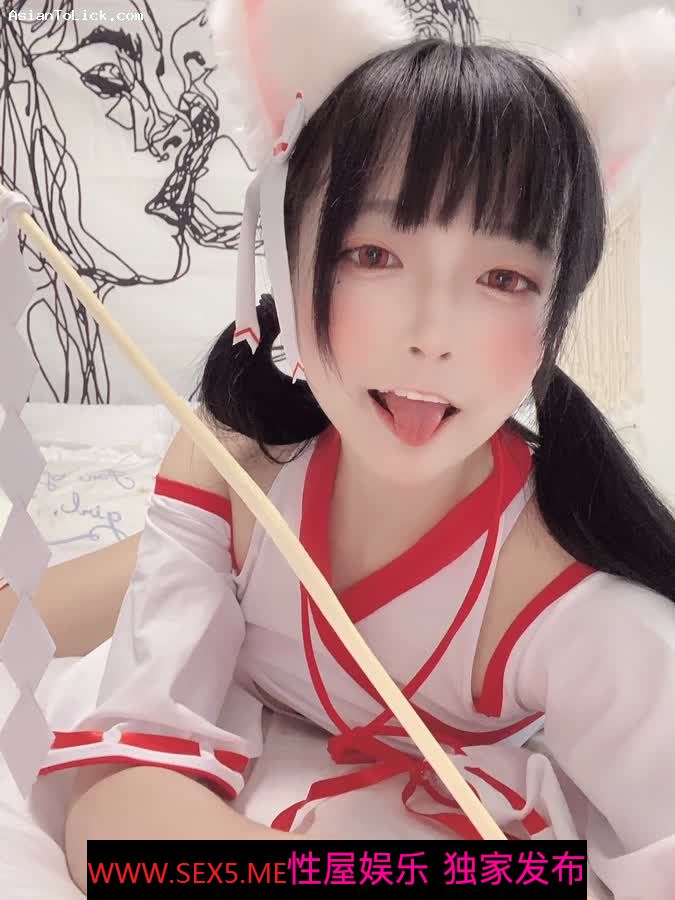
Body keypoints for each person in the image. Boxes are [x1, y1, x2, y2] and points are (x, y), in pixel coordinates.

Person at [11, 3, 675, 898]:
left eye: (503, 277)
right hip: (212, 562)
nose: (431, 335)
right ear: (288, 259)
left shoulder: (573, 602)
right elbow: (117, 815)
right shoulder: (232, 467)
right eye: (372, 254)